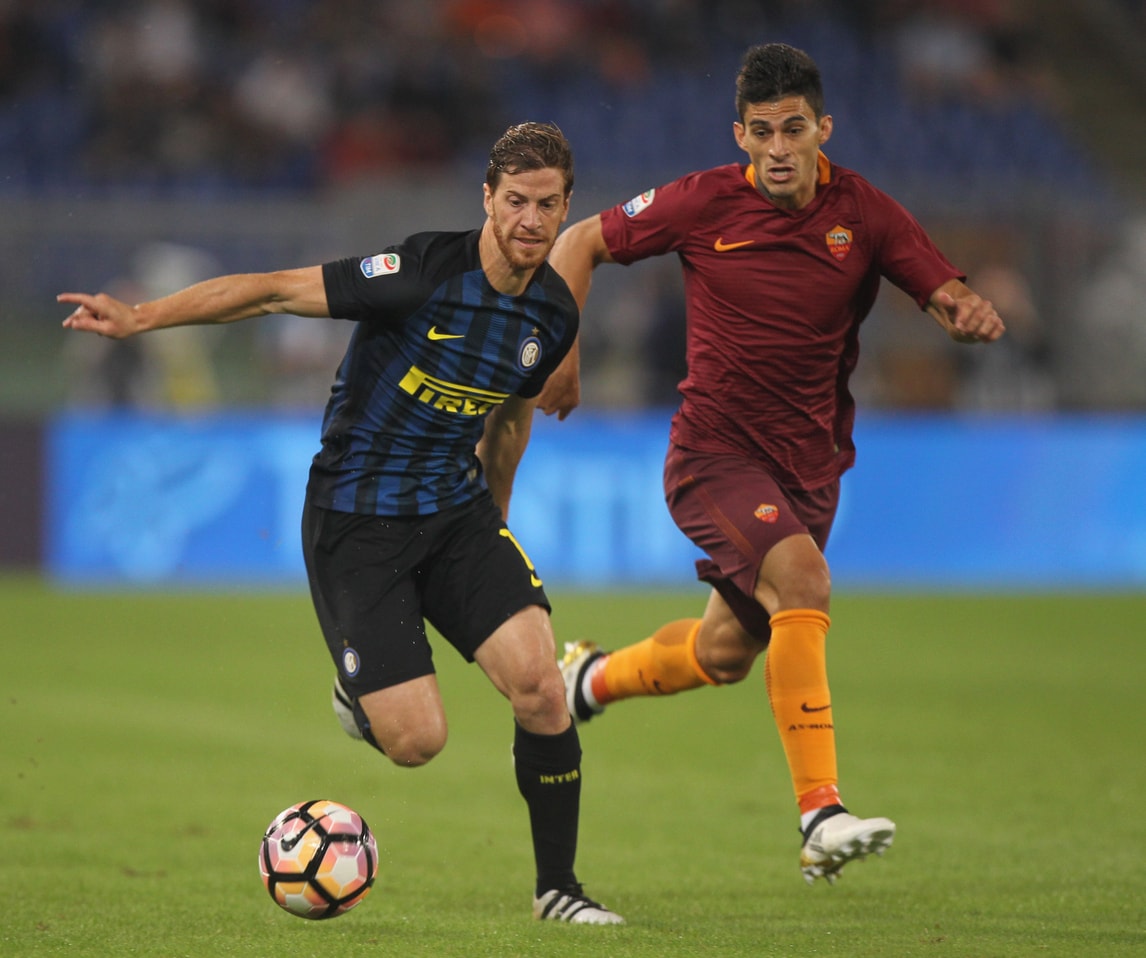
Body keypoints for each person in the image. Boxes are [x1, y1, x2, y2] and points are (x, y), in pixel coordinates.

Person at [59, 122, 623, 925]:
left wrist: (494, 525)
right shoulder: (419, 275)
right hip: (356, 522)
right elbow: (270, 291)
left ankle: (558, 889)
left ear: (566, 208)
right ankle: (361, 698)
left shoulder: (553, 314)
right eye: (517, 202)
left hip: (456, 516)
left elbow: (508, 422)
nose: (531, 220)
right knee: (418, 742)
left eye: (548, 205)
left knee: (539, 684)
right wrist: (141, 318)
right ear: (488, 199)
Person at [542, 43, 1006, 886]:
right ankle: (821, 814)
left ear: (824, 128)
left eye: (795, 129)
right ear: (741, 137)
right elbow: (577, 243)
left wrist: (962, 307)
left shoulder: (865, 213)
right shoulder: (701, 201)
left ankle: (590, 680)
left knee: (725, 653)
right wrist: (562, 359)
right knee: (804, 582)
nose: (780, 148)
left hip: (809, 469)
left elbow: (939, 288)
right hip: (713, 455)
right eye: (763, 133)